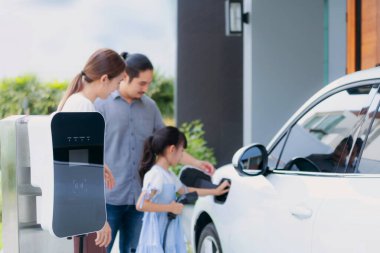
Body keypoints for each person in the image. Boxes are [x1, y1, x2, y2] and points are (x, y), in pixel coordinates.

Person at [94, 52, 216, 253]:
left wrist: (197, 163)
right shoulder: (101, 105)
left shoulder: (150, 107)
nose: (146, 88)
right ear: (125, 76)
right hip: (108, 199)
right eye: (142, 83)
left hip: (140, 200)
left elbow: (169, 146)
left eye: (149, 83)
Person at [58, 48, 126, 252]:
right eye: (118, 82)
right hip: (83, 214)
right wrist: (99, 218)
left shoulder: (74, 102)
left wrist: (98, 164)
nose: (116, 89)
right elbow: (78, 173)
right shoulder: (84, 107)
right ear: (105, 78)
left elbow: (76, 160)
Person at [135, 126, 229, 253]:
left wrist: (215, 191)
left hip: (168, 232)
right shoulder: (156, 175)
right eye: (181, 152)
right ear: (172, 149)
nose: (181, 157)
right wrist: (170, 208)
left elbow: (185, 190)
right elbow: (141, 204)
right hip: (157, 235)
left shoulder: (168, 174)